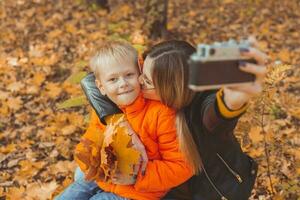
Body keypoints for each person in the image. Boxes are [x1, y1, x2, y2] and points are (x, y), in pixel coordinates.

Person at [81, 39, 268, 200]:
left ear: (168, 87)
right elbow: (91, 80)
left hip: (213, 192)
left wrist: (232, 101)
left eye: (145, 80)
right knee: (80, 176)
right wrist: (119, 122)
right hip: (158, 183)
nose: (137, 81)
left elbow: (216, 116)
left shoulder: (199, 110)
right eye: (140, 73)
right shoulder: (154, 87)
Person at [55, 41, 193, 200]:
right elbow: (91, 137)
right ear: (101, 87)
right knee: (71, 193)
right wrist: (93, 161)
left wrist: (137, 176)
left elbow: (181, 166)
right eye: (113, 79)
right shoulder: (107, 107)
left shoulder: (161, 114)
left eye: (129, 75)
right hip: (105, 179)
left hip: (140, 191)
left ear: (139, 73)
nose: (123, 84)